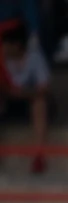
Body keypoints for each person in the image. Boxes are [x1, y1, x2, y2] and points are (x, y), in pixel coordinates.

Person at [0, 24, 50, 174]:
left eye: (5, 44)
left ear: (17, 45)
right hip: (7, 102)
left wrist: (20, 93)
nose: (2, 47)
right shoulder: (1, 59)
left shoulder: (35, 56)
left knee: (40, 103)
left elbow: (44, 89)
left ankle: (38, 156)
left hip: (28, 102)